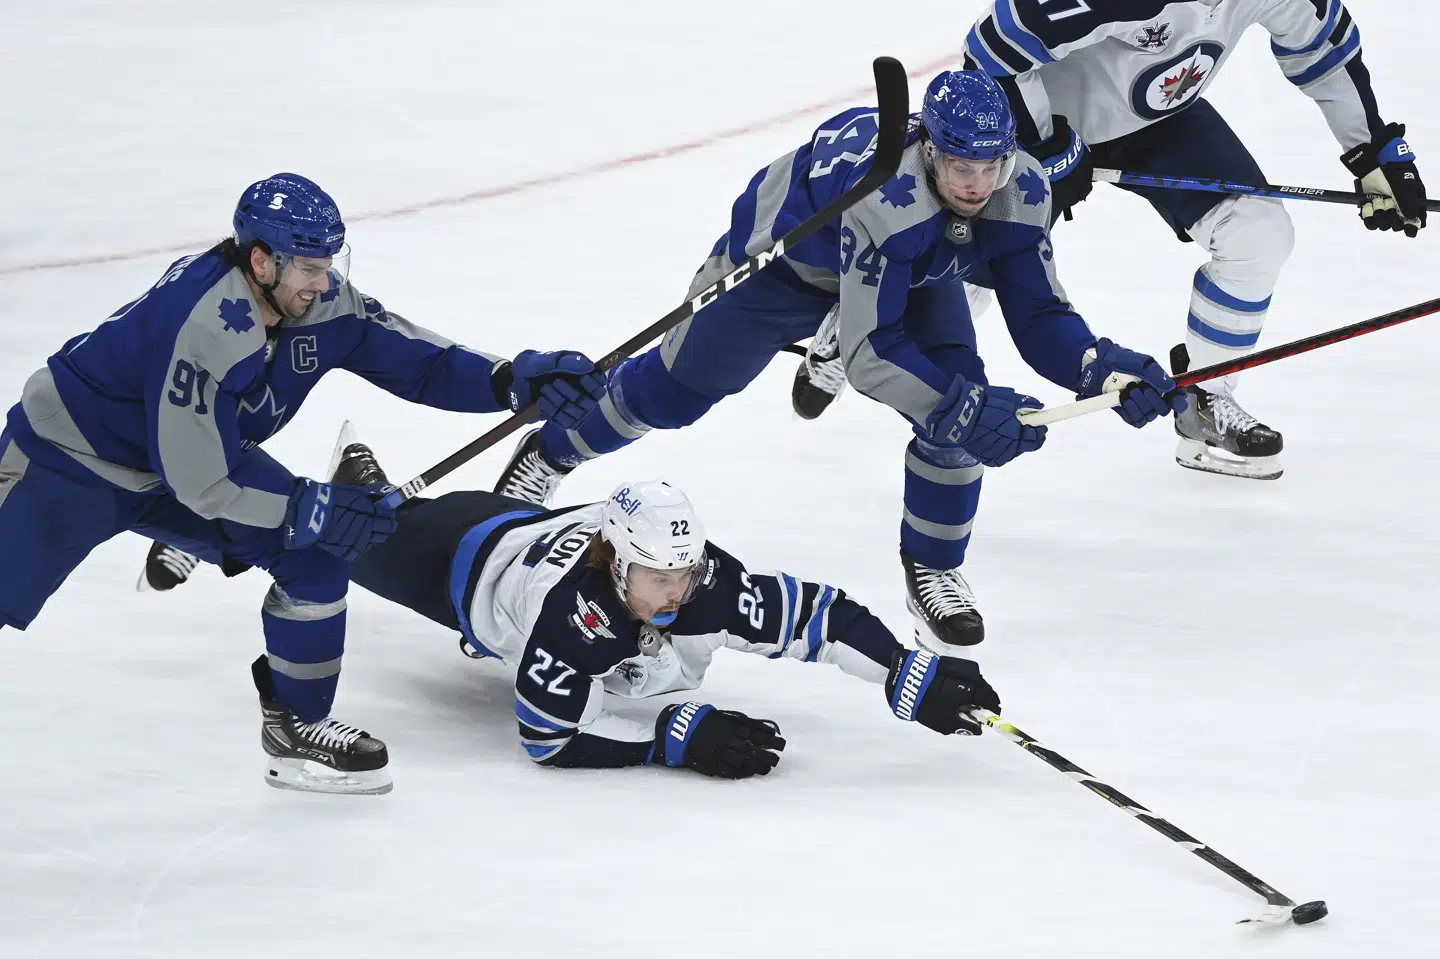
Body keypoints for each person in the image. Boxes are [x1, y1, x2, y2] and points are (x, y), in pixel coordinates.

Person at [488, 69, 1184, 651]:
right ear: (930, 149)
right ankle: (550, 451)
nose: (977, 184)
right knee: (676, 393)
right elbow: (873, 354)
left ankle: (933, 567)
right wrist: (965, 411)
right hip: (785, 263)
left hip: (915, 270)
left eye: (990, 166)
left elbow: (1038, 315)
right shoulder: (890, 198)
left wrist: (1102, 366)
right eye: (961, 167)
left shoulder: (1022, 189)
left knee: (958, 395)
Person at [0, 173, 605, 795]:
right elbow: (201, 484)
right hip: (64, 466)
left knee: (314, 552)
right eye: (309, 269)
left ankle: (297, 730)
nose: (324, 282)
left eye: (329, 263)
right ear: (260, 261)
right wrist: (309, 505)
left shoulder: (321, 302)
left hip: (190, 460)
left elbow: (422, 363)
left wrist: (512, 383)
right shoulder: (203, 325)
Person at [330, 437, 1002, 776]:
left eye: (685, 569)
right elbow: (545, 739)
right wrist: (667, 741)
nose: (677, 591)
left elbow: (820, 617)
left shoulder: (701, 581)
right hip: (458, 559)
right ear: (617, 564)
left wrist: (903, 671)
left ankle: (378, 498)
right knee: (333, 540)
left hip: (537, 523)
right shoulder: (580, 620)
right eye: (659, 577)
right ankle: (360, 494)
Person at [959, 0, 1426, 479]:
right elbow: (994, 48)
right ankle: (944, 403)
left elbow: (1322, 48)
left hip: (1164, 120)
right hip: (1044, 125)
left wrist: (1372, 153)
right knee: (969, 268)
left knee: (1257, 234)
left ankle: (1206, 396)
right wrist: (1045, 146)